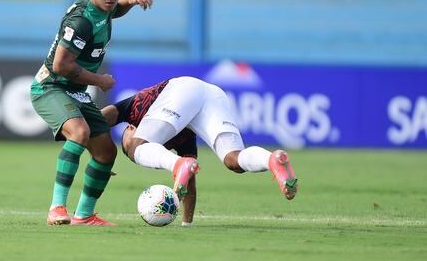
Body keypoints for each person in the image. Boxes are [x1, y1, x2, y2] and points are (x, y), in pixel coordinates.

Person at [30, 0, 153, 226]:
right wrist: (99, 81)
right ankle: (56, 208)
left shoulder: (104, 7)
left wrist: (131, 1)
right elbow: (61, 65)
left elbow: (113, 9)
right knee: (80, 132)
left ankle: (84, 215)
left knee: (106, 153)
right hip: (50, 87)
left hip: (74, 91)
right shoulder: (81, 22)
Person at [101, 76, 298, 226]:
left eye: (123, 146)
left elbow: (99, 119)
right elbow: (190, 180)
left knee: (139, 148)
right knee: (233, 159)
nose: (126, 147)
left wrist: (91, 148)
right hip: (214, 96)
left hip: (182, 88)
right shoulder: (180, 135)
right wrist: (187, 224)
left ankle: (176, 164)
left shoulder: (135, 110)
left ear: (129, 128)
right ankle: (271, 159)